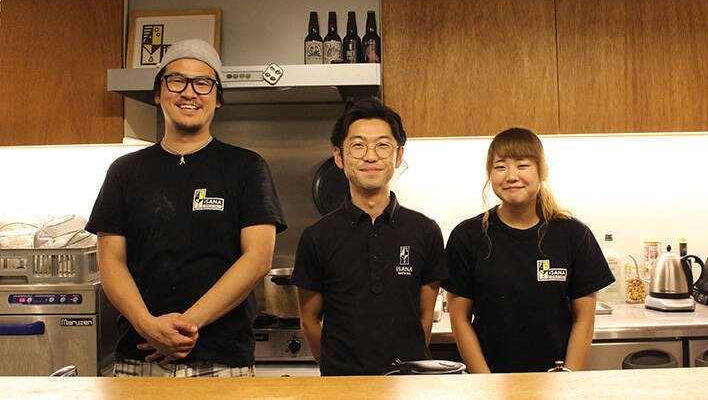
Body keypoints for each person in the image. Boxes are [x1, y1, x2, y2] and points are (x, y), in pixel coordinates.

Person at [86, 39, 286, 377]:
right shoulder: (125, 171)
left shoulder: (247, 168)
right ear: (158, 93)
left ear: (217, 98)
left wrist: (185, 327)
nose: (189, 92)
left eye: (202, 83)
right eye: (177, 81)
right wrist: (147, 325)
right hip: (139, 358)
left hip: (223, 360)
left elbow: (257, 259)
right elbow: (111, 261)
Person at [291, 99, 448, 376]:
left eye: (383, 145)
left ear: (398, 156)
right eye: (358, 145)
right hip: (343, 386)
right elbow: (309, 321)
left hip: (409, 385)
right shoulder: (317, 237)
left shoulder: (425, 231)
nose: (371, 156)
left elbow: (425, 318)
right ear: (339, 157)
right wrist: (337, 373)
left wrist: (409, 371)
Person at [443, 127, 613, 373]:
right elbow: (459, 320)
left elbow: (584, 320)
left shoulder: (574, 235)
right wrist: (486, 383)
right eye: (500, 166)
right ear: (490, 174)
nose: (511, 176)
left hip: (556, 380)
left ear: (542, 171)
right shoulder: (467, 237)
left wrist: (567, 380)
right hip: (489, 381)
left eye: (522, 165)